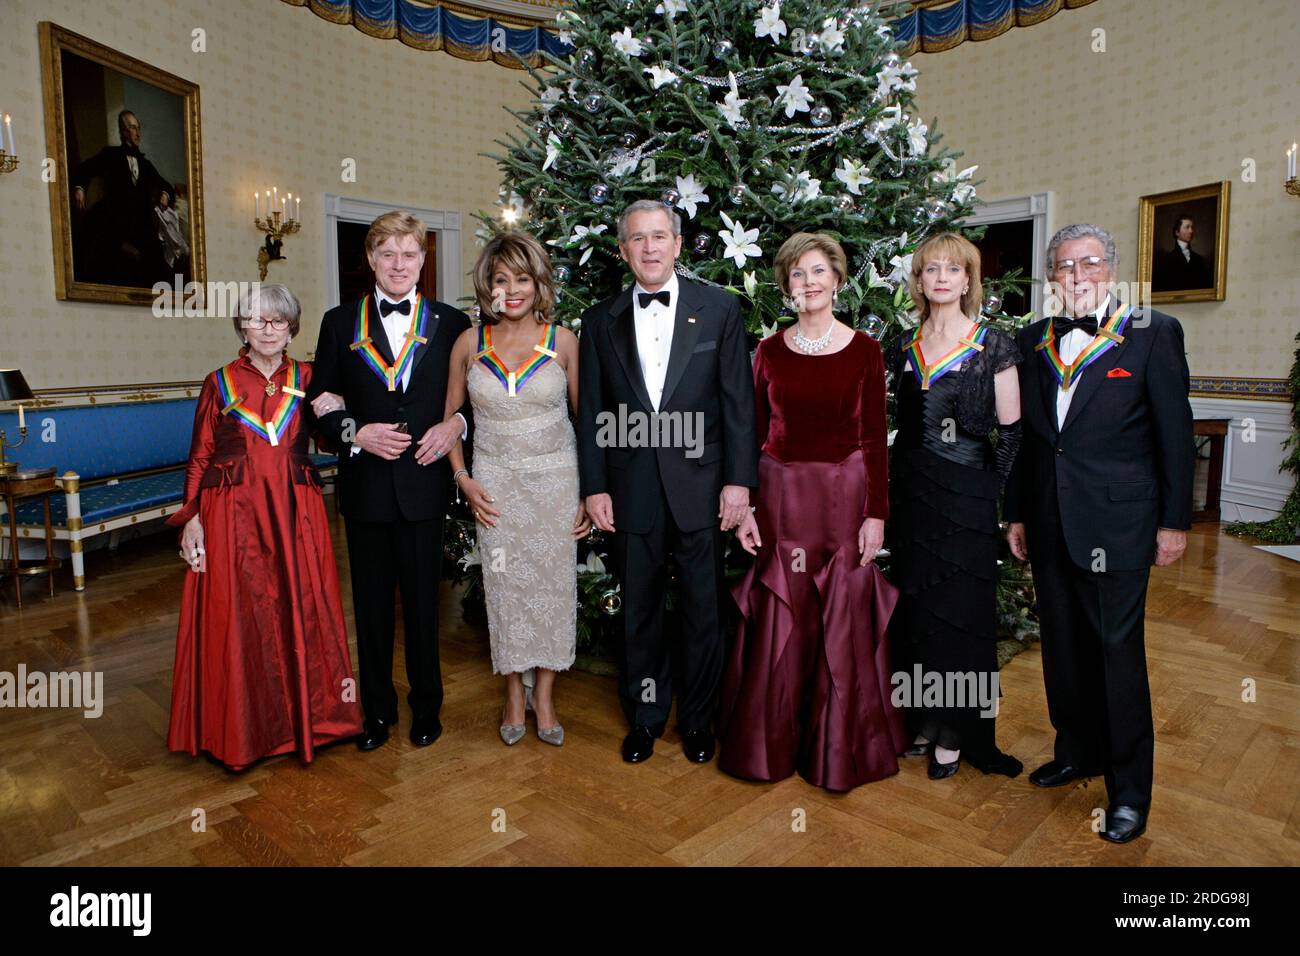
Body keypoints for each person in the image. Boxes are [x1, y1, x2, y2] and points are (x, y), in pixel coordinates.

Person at [1005, 223, 1194, 843]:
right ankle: (1076, 751)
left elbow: (1173, 435)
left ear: (1110, 269)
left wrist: (1173, 522)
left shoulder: (1152, 334)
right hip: (1050, 519)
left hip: (1119, 521)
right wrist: (1018, 513)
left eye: (1087, 263)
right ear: (1052, 278)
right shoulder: (1033, 341)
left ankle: (1129, 791)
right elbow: (1028, 445)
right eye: (1063, 267)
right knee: (1061, 648)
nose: (1076, 276)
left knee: (1116, 656)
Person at [720, 232, 904, 792]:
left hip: (843, 499)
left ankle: (836, 748)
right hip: (780, 496)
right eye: (797, 274)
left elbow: (874, 438)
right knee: (785, 606)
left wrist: (876, 515)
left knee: (840, 611)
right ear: (786, 285)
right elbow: (748, 433)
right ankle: (771, 743)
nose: (808, 283)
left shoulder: (866, 350)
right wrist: (746, 503)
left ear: (838, 279)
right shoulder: (768, 352)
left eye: (818, 271)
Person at [577, 199, 758, 765]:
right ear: (623, 249)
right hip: (631, 490)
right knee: (640, 612)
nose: (649, 247)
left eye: (659, 236)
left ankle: (699, 721)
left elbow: (738, 406)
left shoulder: (721, 309)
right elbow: (593, 414)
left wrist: (739, 483)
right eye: (637, 238)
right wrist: (596, 485)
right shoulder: (599, 321)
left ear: (678, 245)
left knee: (704, 609)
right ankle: (647, 717)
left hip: (703, 489)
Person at [167, 284, 363, 771]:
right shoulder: (218, 382)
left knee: (303, 605)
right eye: (257, 320)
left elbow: (334, 434)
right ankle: (242, 731)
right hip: (231, 512)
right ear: (242, 327)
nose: (269, 329)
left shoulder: (311, 378)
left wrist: (349, 419)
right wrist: (191, 518)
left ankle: (312, 720)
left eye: (278, 321)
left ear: (292, 326)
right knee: (241, 614)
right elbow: (200, 455)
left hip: (296, 508)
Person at [307, 211, 472, 751]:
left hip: (425, 485)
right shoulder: (339, 321)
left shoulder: (452, 323)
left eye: (409, 255)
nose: (399, 264)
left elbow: (474, 399)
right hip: (367, 488)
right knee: (373, 610)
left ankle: (428, 707)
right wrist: (359, 432)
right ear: (371, 260)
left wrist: (455, 425)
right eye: (388, 254)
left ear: (423, 261)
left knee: (424, 608)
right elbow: (321, 404)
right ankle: (376, 712)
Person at [885, 231, 1024, 781]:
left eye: (952, 269)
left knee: (960, 618)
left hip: (967, 498)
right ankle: (922, 719)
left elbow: (1011, 436)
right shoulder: (901, 344)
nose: (940, 278)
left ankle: (958, 733)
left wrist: (1004, 507)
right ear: (918, 281)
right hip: (912, 494)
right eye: (930, 269)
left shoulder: (995, 344)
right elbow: (896, 426)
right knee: (917, 613)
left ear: (968, 280)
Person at [445, 232, 588, 746]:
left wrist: (588, 493)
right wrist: (464, 480)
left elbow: (587, 422)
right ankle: (512, 692)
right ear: (488, 286)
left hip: (555, 482)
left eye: (522, 279)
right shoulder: (469, 343)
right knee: (504, 588)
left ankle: (544, 695)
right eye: (501, 280)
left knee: (552, 586)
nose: (511, 290)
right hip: (495, 485)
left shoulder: (564, 341)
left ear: (538, 283)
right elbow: (452, 421)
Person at [70, 109, 175, 287]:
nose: (138, 132)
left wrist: (165, 194)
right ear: (123, 131)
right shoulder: (110, 155)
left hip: (141, 222)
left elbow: (165, 185)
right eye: (133, 128)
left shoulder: (145, 164)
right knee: (98, 251)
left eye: (138, 128)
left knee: (158, 264)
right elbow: (84, 169)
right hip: (114, 217)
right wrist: (79, 188)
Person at [1151, 214, 1213, 292]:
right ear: (1177, 232)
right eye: (1187, 227)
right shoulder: (1166, 260)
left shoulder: (1199, 259)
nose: (1191, 231)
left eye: (1191, 227)